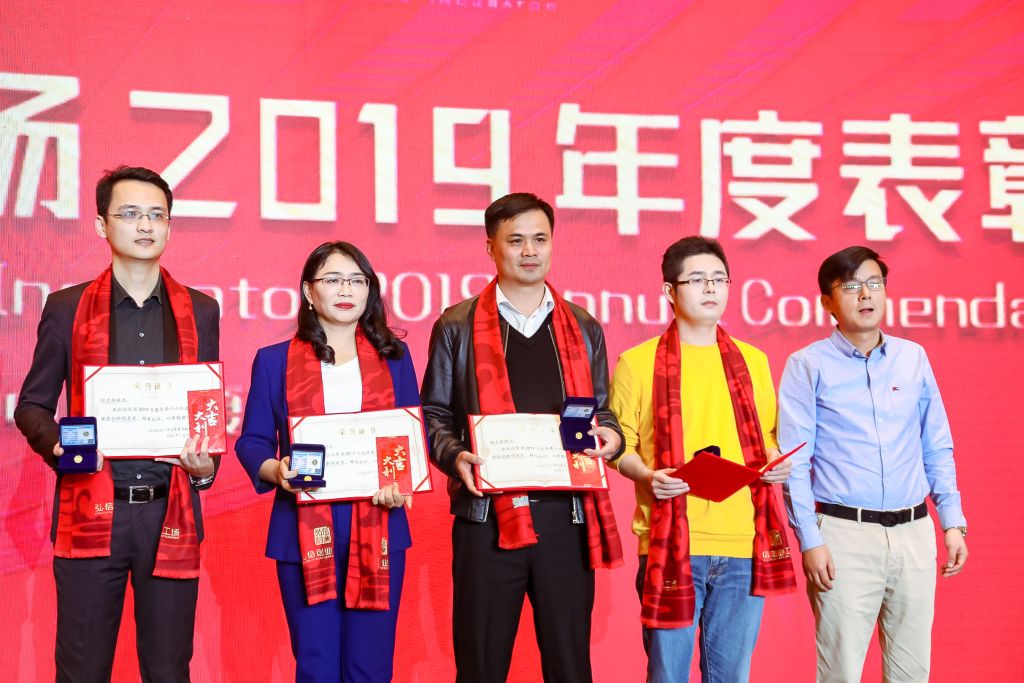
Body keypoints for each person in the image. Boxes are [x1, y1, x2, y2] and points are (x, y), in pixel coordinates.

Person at [15, 165, 221, 682]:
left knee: (169, 669)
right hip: (91, 508)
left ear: (169, 225)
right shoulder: (67, 307)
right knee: (82, 669)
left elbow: (204, 410)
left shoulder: (201, 310)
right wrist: (60, 446)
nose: (145, 225)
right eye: (130, 214)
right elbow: (32, 406)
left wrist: (204, 469)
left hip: (169, 511)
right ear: (101, 225)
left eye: (157, 215)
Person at [420, 192, 624, 683]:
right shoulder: (456, 325)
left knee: (570, 668)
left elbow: (603, 412)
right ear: (491, 247)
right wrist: (456, 456)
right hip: (487, 518)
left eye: (540, 239)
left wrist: (611, 440)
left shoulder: (583, 326)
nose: (529, 251)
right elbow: (433, 414)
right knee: (481, 666)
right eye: (515, 241)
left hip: (566, 519)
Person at [608, 236, 797, 683]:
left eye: (719, 279)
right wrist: (648, 475)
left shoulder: (753, 360)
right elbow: (619, 445)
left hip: (742, 542)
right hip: (671, 543)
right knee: (667, 676)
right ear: (670, 292)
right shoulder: (636, 362)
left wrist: (775, 460)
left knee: (731, 676)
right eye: (696, 279)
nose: (710, 288)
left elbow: (767, 438)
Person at [778, 246, 968, 683]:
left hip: (914, 532)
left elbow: (936, 445)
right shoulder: (807, 365)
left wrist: (952, 522)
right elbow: (795, 463)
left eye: (874, 284)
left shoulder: (912, 357)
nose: (866, 294)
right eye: (850, 286)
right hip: (844, 536)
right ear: (827, 302)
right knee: (841, 672)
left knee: (911, 672)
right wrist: (809, 539)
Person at [235, 241, 418, 683]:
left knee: (371, 666)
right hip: (303, 527)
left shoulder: (395, 358)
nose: (346, 290)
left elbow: (409, 436)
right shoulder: (274, 360)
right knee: (316, 665)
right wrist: (276, 470)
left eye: (357, 280)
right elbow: (253, 441)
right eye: (333, 279)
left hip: (379, 521)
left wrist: (402, 480)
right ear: (308, 291)